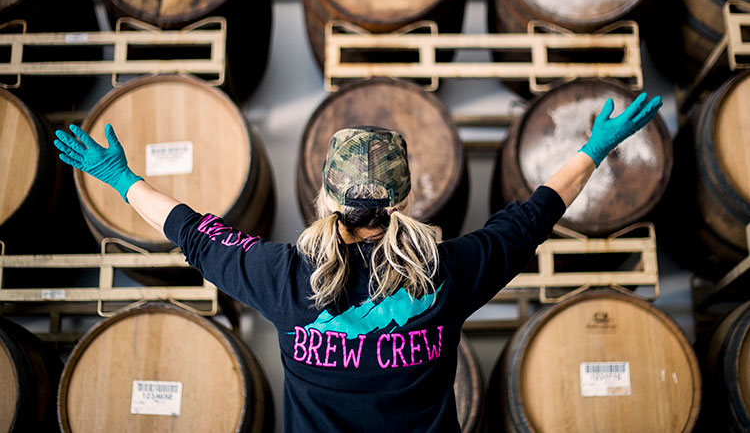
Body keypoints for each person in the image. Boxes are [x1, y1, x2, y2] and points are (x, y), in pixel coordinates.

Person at [54, 92, 662, 432]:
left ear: (326, 198)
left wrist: (120, 176)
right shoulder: (443, 274)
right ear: (401, 200)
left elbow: (194, 235)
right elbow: (531, 217)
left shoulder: (285, 275)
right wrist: (593, 149)